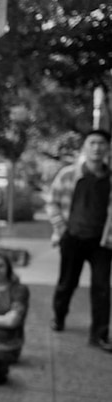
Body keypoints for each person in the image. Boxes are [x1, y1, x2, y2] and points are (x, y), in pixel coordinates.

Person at [47, 129, 112, 352]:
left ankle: (100, 335)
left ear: (107, 148)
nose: (97, 147)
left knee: (102, 288)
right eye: (92, 142)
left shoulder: (110, 178)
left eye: (101, 143)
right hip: (72, 238)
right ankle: (59, 316)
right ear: (85, 146)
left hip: (102, 243)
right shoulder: (67, 174)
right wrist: (61, 229)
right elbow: (52, 202)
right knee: (67, 283)